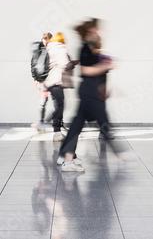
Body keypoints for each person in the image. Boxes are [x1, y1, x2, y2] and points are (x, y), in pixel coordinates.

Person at [57, 18, 117, 172]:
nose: (100, 32)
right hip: (88, 93)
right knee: (79, 125)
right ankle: (67, 159)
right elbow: (85, 70)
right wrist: (105, 66)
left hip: (89, 92)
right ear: (91, 31)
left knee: (77, 124)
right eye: (97, 29)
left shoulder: (89, 47)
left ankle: (67, 156)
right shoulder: (85, 47)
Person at [44, 32, 70, 142]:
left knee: (58, 105)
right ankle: (55, 131)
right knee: (60, 106)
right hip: (56, 82)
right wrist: (71, 63)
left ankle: (52, 127)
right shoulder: (60, 48)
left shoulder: (49, 48)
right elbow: (65, 64)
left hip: (49, 82)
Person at [31, 32, 52, 132]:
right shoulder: (37, 50)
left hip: (50, 80)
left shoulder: (52, 49)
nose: (46, 42)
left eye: (47, 40)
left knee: (58, 103)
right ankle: (42, 121)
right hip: (42, 81)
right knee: (44, 101)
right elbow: (33, 65)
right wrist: (35, 78)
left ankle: (43, 122)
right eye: (45, 40)